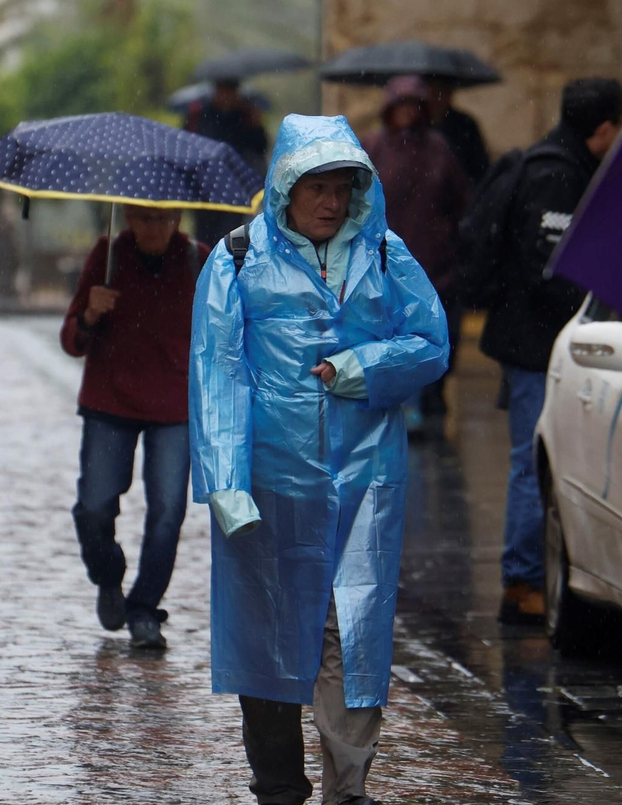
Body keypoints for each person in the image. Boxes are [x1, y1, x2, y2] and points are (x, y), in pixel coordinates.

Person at [190, 114, 449, 805]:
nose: (332, 203)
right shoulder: (238, 258)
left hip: (366, 479)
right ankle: (278, 782)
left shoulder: (387, 255)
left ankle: (349, 782)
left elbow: (430, 343)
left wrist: (362, 366)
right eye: (318, 188)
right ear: (285, 189)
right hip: (271, 480)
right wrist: (224, 480)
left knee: (354, 631)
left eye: (343, 188)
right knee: (267, 636)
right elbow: (217, 370)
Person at [477, 78, 622, 624]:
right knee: (529, 462)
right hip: (535, 345)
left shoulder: (554, 163)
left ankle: (540, 575)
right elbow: (553, 270)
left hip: (532, 340)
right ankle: (522, 582)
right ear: (603, 129)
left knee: (538, 459)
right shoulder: (558, 175)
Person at [61, 206, 209, 650]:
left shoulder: (197, 259)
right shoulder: (108, 256)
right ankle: (108, 575)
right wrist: (90, 313)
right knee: (94, 507)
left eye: (164, 219)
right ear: (127, 216)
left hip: (174, 405)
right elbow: (71, 340)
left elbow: (220, 333)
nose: (154, 229)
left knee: (168, 512)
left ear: (179, 217)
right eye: (144, 219)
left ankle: (144, 609)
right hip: (110, 399)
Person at [363, 76, 471, 442]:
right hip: (383, 261)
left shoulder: (439, 149)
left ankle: (427, 403)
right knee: (390, 334)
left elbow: (461, 203)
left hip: (432, 262)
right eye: (402, 104)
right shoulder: (374, 147)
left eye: (416, 104)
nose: (409, 112)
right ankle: (399, 407)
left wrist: (451, 244)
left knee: (428, 334)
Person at [186, 80, 269, 245]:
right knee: (205, 236)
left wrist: (256, 125)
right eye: (223, 90)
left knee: (231, 236)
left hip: (236, 188)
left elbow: (260, 146)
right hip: (205, 188)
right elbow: (189, 144)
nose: (227, 96)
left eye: (231, 90)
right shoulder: (202, 114)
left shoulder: (244, 116)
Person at [417, 75, 491, 185]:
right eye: (431, 93)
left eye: (440, 93)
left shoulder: (465, 125)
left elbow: (479, 167)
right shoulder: (415, 124)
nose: (435, 99)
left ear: (450, 94)